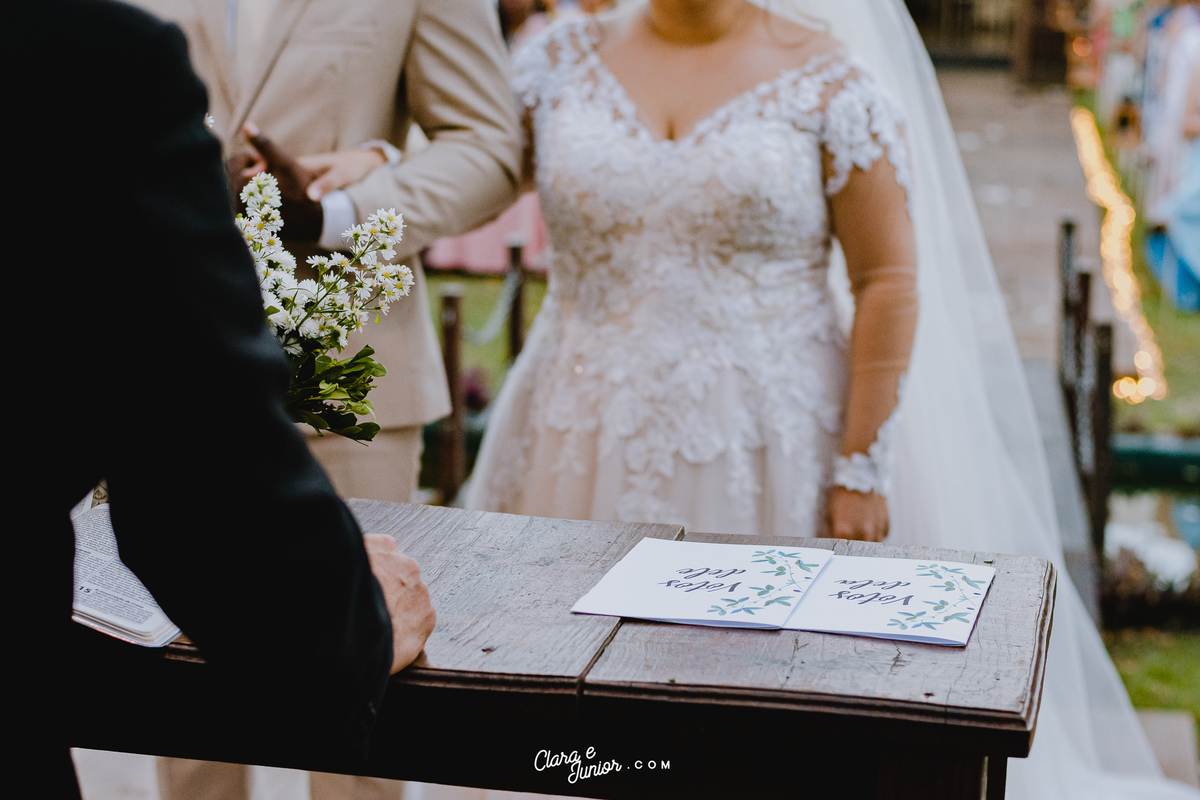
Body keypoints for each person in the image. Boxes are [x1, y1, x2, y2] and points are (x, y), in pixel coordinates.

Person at [466, 1, 1200, 798]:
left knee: (744, 704)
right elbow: (464, 172)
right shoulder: (555, 63)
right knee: (555, 707)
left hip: (768, 447)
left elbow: (886, 278)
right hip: (570, 431)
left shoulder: (831, 80)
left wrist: (860, 467)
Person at [10, 1, 436, 797]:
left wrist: (346, 202)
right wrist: (355, 629)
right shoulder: (88, 56)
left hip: (353, 336)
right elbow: (195, 475)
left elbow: (482, 139)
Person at [134, 0, 522, 507]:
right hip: (147, 372)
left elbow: (487, 150)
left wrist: (335, 213)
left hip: (341, 393)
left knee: (366, 562)